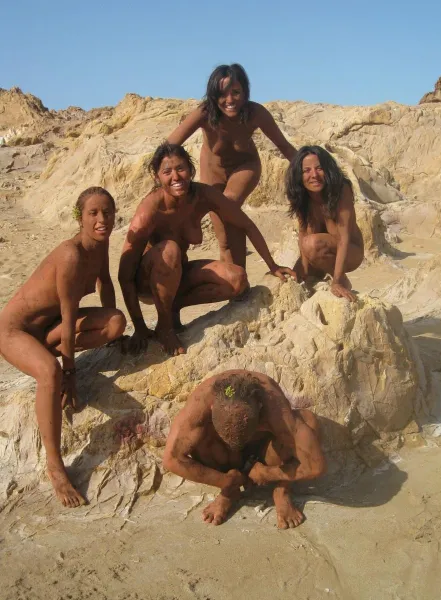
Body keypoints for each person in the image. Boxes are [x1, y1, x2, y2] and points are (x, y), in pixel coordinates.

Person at [0, 187, 126, 508]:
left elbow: (105, 281)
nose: (102, 219)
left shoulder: (101, 242)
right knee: (50, 372)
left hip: (48, 329)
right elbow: (69, 320)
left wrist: (115, 339)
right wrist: (70, 373)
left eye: (107, 212)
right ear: (79, 218)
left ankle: (48, 354)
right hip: (14, 331)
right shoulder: (71, 255)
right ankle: (55, 468)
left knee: (115, 323)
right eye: (93, 213)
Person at [119, 143, 296, 357]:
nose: (175, 176)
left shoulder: (202, 195)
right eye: (167, 172)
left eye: (181, 168)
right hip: (147, 282)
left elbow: (246, 224)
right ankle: (165, 327)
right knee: (170, 249)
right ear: (157, 177)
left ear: (191, 169)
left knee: (237, 280)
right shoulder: (151, 208)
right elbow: (124, 275)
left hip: (178, 274)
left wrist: (272, 265)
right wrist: (139, 326)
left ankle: (172, 307)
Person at [167, 63, 297, 269]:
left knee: (228, 203)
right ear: (213, 95)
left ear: (245, 92)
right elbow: (170, 146)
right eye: (222, 94)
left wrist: (310, 169)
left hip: (245, 166)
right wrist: (167, 178)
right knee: (223, 233)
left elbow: (285, 146)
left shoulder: (255, 113)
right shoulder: (204, 113)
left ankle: (240, 276)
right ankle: (234, 278)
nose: (230, 100)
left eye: (236, 92)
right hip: (212, 171)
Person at [163, 370, 325, 529]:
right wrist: (225, 481)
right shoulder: (200, 403)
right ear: (212, 408)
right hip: (224, 457)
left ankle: (282, 491)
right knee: (192, 437)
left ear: (260, 409)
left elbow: (315, 466)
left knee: (308, 421)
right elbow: (171, 459)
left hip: (263, 452)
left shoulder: (274, 406)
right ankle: (229, 491)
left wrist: (268, 473)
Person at [286, 145, 364, 302]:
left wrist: (337, 280)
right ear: (299, 175)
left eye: (319, 168)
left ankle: (341, 279)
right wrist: (304, 269)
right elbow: (303, 232)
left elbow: (343, 238)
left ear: (328, 169)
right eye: (307, 171)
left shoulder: (341, 190)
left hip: (350, 251)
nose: (314, 175)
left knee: (311, 244)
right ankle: (321, 273)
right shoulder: (301, 194)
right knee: (294, 278)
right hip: (319, 251)